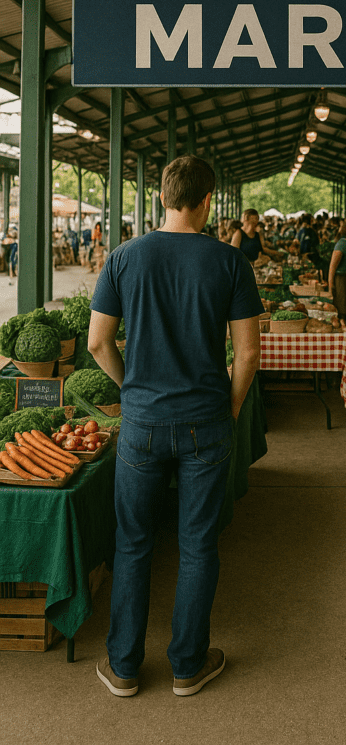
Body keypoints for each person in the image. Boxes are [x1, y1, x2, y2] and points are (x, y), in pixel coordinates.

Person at [88, 155, 262, 698]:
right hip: (205, 421)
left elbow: (97, 342)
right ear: (207, 200)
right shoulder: (230, 262)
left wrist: (131, 387)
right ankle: (188, 665)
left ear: (164, 196)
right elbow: (249, 354)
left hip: (141, 421)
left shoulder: (124, 257)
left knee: (133, 543)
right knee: (197, 544)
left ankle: (123, 666)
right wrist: (229, 410)